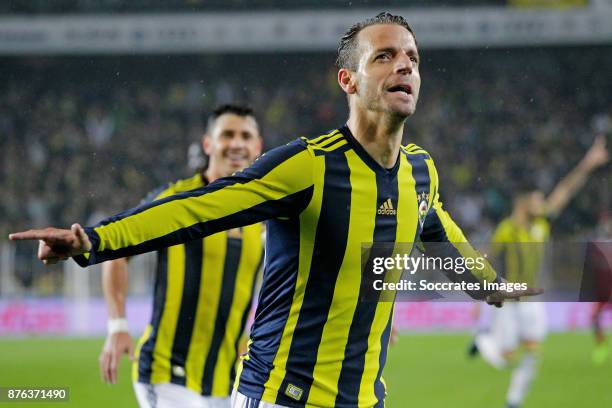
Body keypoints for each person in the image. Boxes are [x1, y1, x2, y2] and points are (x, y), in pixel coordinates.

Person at [10, 12, 539, 408]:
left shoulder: (420, 171)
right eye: (384, 56)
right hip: (283, 397)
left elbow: (438, 233)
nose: (404, 65)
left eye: (412, 57)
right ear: (348, 81)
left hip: (365, 398)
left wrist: (490, 284)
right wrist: (93, 240)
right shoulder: (306, 166)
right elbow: (196, 209)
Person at [98, 104, 264, 408]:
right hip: (166, 375)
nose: (237, 143)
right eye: (227, 134)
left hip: (227, 382)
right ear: (208, 144)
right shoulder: (175, 200)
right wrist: (117, 326)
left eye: (245, 135)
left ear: (257, 145)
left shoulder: (263, 215)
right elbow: (116, 250)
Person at [471, 136, 608, 408]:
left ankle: (514, 400)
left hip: (534, 300)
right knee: (507, 358)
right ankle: (483, 339)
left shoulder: (542, 221)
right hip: (509, 301)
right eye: (536, 199)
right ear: (522, 203)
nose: (541, 203)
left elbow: (565, 190)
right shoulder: (507, 229)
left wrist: (588, 164)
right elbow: (485, 255)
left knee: (533, 353)